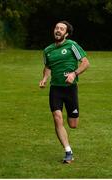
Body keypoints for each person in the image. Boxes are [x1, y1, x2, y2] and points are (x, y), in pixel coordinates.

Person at [39, 20, 90, 163]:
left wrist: (74, 74)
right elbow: (48, 67)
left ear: (66, 33)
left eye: (61, 29)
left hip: (70, 89)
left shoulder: (72, 45)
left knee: (73, 124)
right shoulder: (47, 50)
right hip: (55, 88)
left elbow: (86, 63)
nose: (58, 30)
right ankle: (68, 151)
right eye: (56, 28)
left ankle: (71, 117)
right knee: (57, 117)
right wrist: (44, 78)